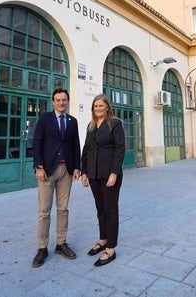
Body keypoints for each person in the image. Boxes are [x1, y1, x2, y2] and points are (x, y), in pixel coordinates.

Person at [31, 88, 81, 267]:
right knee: (44, 211)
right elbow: (36, 142)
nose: (61, 103)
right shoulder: (45, 119)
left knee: (63, 209)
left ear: (67, 101)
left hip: (66, 171)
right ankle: (42, 248)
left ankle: (61, 243)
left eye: (64, 100)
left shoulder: (72, 121)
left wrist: (77, 167)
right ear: (53, 102)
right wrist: (38, 166)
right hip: (47, 171)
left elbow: (76, 145)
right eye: (58, 100)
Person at [81, 94, 125, 266]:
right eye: (95, 106)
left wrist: (115, 173)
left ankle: (111, 248)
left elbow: (120, 149)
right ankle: (103, 239)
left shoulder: (115, 123)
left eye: (100, 105)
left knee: (110, 210)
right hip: (93, 173)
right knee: (100, 209)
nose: (97, 109)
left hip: (109, 174)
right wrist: (84, 171)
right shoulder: (91, 126)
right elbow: (86, 149)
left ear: (107, 107)